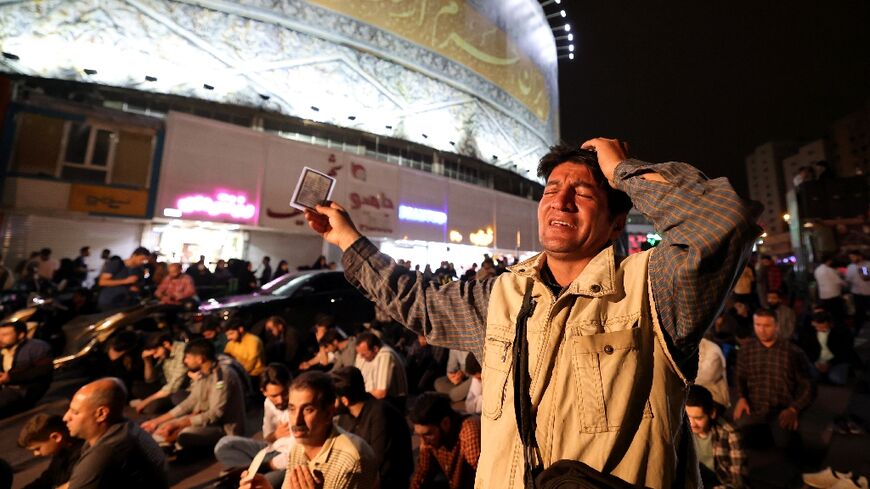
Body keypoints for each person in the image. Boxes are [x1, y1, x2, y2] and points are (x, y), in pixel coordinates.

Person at [304, 139, 760, 487]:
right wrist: (348, 239)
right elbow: (419, 301)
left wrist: (623, 170)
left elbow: (724, 222)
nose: (559, 200)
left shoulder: (653, 290)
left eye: (582, 192)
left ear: (617, 221)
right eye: (552, 189)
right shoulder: (504, 295)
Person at [239, 371, 378, 489]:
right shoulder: (299, 445)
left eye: (308, 409)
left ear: (329, 413)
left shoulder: (351, 460)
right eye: (292, 409)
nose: (296, 420)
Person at [733, 309, 815, 456]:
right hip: (754, 407)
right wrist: (741, 397)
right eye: (757, 325)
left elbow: (809, 385)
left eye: (767, 326)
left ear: (777, 326)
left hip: (782, 409)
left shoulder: (793, 352)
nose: (761, 330)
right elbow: (740, 375)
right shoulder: (746, 350)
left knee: (789, 450)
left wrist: (794, 409)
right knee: (738, 439)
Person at [141, 339, 246, 452]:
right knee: (160, 428)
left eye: (187, 358)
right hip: (205, 421)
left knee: (184, 435)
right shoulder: (203, 374)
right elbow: (189, 403)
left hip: (225, 429)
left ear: (200, 359)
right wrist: (156, 422)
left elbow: (215, 414)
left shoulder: (222, 375)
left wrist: (178, 424)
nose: (185, 361)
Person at [63, 378, 168, 489]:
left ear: (101, 414)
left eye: (75, 412)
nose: (65, 417)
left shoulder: (106, 451)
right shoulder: (123, 428)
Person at [215, 364, 295, 488]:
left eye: (284, 393)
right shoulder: (268, 403)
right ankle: (247, 474)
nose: (280, 400)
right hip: (271, 450)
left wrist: (264, 467)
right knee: (224, 445)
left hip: (288, 461)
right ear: (264, 392)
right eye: (274, 396)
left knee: (258, 484)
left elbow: (298, 454)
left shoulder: (298, 403)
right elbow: (267, 437)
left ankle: (249, 475)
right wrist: (276, 434)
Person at [332, 366, 413, 488]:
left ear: (345, 401)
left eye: (331, 399)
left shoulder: (380, 414)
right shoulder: (346, 417)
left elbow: (378, 464)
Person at [409, 392, 480, 489]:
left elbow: (482, 477)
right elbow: (422, 474)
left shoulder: (468, 431)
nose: (423, 443)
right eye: (419, 436)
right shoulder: (428, 441)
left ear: (445, 423)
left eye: (427, 434)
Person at [685, 385, 746, 489]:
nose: (692, 424)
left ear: (712, 413)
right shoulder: (682, 429)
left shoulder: (730, 433)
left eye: (698, 418)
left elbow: (738, 481)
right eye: (688, 417)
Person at [0, 321, 53, 418]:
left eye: (5, 335)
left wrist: (11, 377)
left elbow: (43, 371)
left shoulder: (37, 347)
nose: (0, 338)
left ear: (21, 335)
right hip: (7, 387)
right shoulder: (4, 350)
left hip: (24, 390)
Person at [17, 413, 84, 489]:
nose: (36, 454)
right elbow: (47, 478)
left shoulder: (81, 453)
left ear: (56, 437)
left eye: (37, 448)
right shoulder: (60, 453)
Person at [131, 333, 189, 415]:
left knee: (158, 405)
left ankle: (151, 403)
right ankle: (151, 402)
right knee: (137, 387)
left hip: (179, 390)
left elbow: (174, 385)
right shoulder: (164, 353)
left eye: (155, 352)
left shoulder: (183, 351)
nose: (154, 356)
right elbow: (150, 379)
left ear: (166, 344)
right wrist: (147, 361)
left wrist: (146, 401)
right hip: (166, 388)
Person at [354, 332, 408, 410]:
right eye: (360, 354)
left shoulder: (385, 355)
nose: (361, 357)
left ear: (375, 349)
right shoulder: (361, 355)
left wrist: (357, 398)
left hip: (391, 404)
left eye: (364, 354)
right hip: (370, 399)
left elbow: (381, 393)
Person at [800, 311, 856, 386]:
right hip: (816, 361)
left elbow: (845, 351)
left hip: (835, 361)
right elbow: (806, 350)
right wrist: (816, 363)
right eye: (818, 327)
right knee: (808, 376)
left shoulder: (841, 331)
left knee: (837, 379)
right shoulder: (809, 332)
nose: (820, 329)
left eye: (824, 327)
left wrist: (830, 363)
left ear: (830, 323)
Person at [96, 247, 150, 311]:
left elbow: (139, 285)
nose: (143, 261)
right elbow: (102, 282)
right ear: (134, 255)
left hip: (126, 304)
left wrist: (135, 288)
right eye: (142, 259)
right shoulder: (116, 264)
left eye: (145, 260)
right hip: (109, 303)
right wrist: (125, 281)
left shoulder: (140, 270)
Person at [696, 335, 730, 408]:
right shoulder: (691, 346)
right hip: (695, 394)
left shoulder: (713, 350)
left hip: (714, 396)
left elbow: (708, 376)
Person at [814, 253, 848, 325]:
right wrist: (846, 283)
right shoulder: (830, 270)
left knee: (829, 314)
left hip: (823, 295)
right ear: (829, 261)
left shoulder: (817, 270)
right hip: (833, 295)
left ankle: (832, 326)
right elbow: (839, 281)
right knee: (837, 314)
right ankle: (839, 328)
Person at [845, 251, 870, 331]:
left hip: (868, 292)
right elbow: (848, 279)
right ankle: (859, 329)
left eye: (853, 257)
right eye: (850, 257)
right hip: (856, 293)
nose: (852, 259)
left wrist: (861, 268)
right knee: (859, 312)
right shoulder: (850, 266)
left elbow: (865, 278)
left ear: (860, 256)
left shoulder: (867, 264)